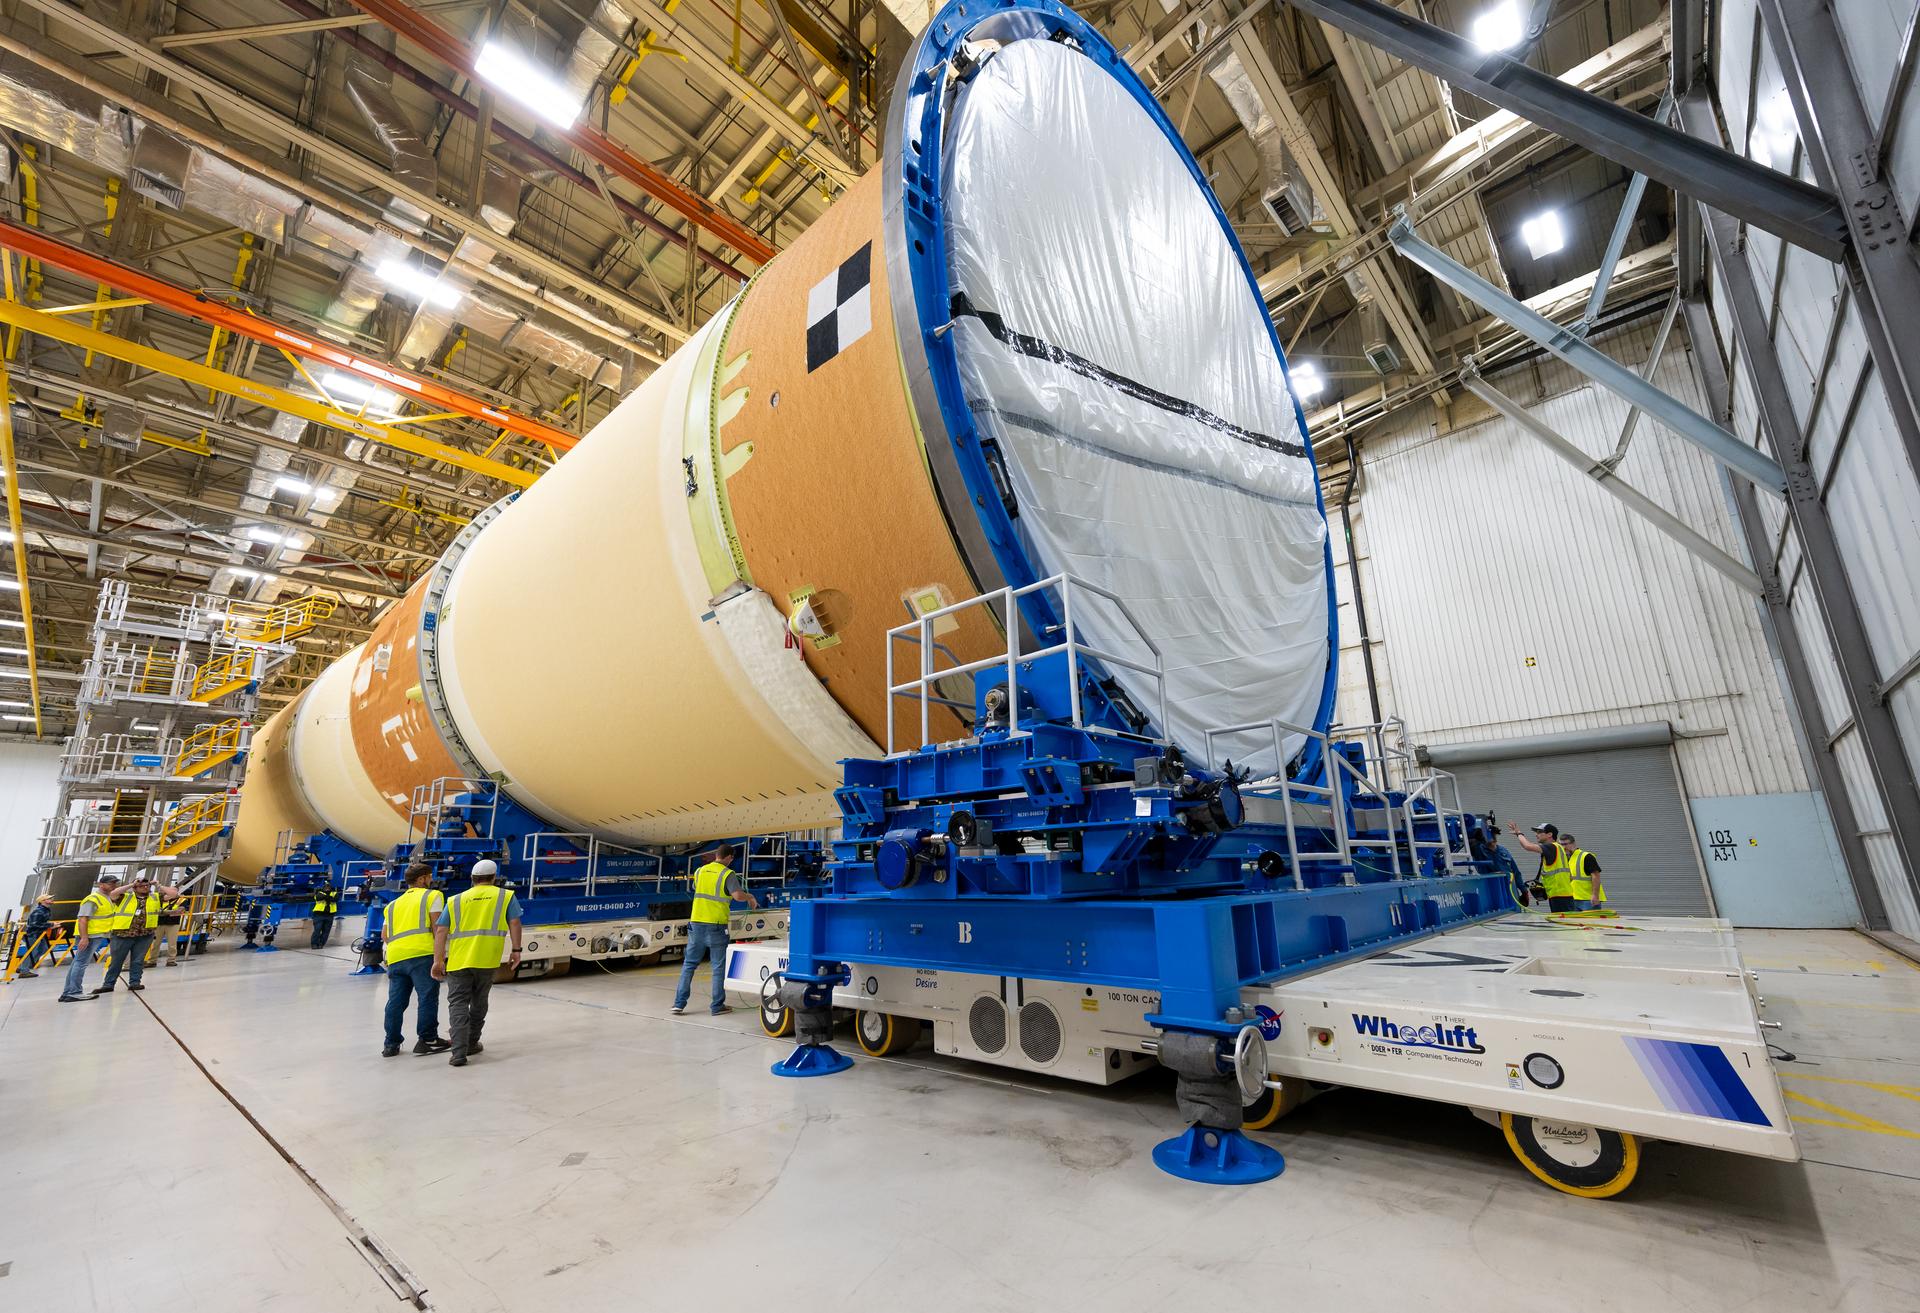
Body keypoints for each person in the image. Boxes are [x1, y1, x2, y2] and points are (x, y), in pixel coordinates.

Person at [430, 859, 523, 1067]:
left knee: (458, 1003)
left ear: (472, 879)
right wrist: (516, 950)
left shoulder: (455, 900)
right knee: (479, 1001)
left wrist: (438, 960)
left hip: (459, 960)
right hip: (487, 959)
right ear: (494, 878)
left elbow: (441, 930)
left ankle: (458, 1052)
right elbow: (515, 922)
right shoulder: (505, 896)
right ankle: (472, 1042)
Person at [673, 842, 760, 1017]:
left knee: (689, 965)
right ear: (729, 857)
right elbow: (737, 896)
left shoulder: (700, 871)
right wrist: (750, 896)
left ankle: (678, 1004)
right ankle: (716, 1006)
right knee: (718, 967)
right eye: (731, 859)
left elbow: (702, 891)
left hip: (696, 923)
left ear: (716, 856)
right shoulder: (728, 873)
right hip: (716, 926)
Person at [381, 864, 451, 1058]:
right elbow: (438, 928)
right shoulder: (432, 896)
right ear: (421, 879)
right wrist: (441, 957)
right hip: (422, 954)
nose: (431, 880)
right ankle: (427, 1039)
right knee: (427, 997)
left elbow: (385, 935)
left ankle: (391, 1044)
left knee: (396, 1002)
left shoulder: (393, 905)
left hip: (396, 957)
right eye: (429, 877)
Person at [95, 875, 181, 994]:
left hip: (145, 934)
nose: (145, 887)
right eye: (141, 886)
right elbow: (113, 893)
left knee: (138, 960)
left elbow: (173, 894)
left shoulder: (155, 897)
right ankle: (108, 984)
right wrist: (132, 884)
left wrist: (157, 884)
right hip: (123, 934)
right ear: (135, 887)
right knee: (117, 961)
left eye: (147, 885)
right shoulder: (125, 896)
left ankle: (135, 983)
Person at [61, 874, 122, 1001]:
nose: (114, 886)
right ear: (101, 885)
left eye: (115, 883)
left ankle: (68, 992)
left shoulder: (105, 898)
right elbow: (83, 919)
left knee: (77, 963)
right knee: (80, 963)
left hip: (95, 934)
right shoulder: (93, 899)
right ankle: (74, 992)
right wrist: (84, 937)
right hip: (90, 936)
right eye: (110, 883)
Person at [1508, 821, 1579, 912]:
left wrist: (1519, 833)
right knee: (1564, 922)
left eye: (1539, 832)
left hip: (1560, 896)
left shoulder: (1552, 847)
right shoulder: (1558, 848)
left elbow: (1528, 846)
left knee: (1563, 923)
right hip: (1561, 895)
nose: (1536, 835)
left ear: (1549, 834)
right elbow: (1570, 877)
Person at [1559, 834, 1608, 910]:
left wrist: (1595, 895)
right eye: (1561, 845)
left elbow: (1596, 876)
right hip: (1573, 899)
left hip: (1588, 900)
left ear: (1573, 843)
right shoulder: (1566, 859)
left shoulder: (1586, 856)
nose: (1564, 847)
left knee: (1591, 922)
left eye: (1566, 844)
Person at [14, 894, 57, 977]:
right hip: (32, 934)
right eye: (49, 898)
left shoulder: (45, 910)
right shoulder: (38, 911)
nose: (52, 899)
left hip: (39, 934)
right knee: (32, 952)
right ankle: (24, 971)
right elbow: (34, 925)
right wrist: (51, 925)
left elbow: (40, 923)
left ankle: (22, 966)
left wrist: (51, 925)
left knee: (44, 949)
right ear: (42, 901)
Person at [309, 882, 339, 948]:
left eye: (328, 887)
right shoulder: (319, 893)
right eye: (326, 887)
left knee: (326, 931)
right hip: (319, 915)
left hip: (330, 915)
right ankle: (314, 944)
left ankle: (321, 944)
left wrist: (326, 897)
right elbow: (318, 898)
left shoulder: (334, 893)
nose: (327, 889)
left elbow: (335, 899)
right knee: (317, 930)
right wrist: (328, 897)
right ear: (323, 888)